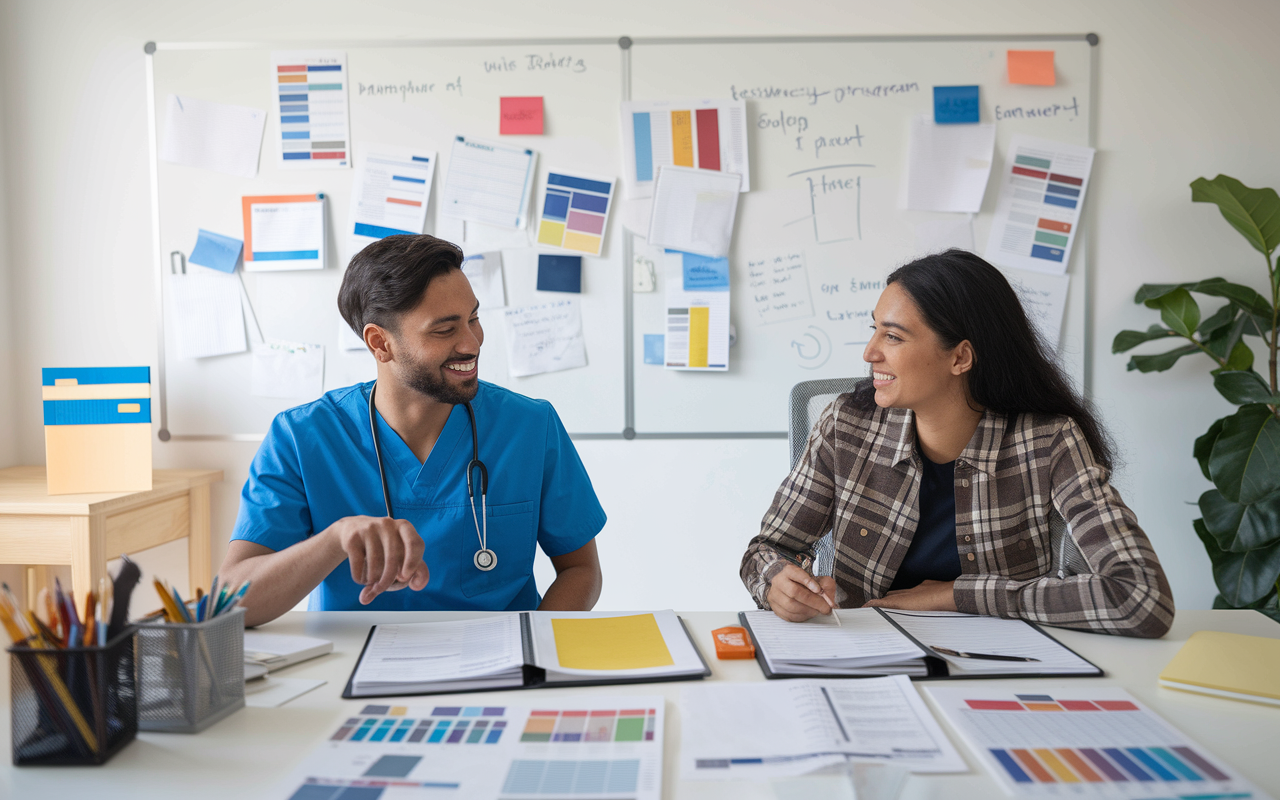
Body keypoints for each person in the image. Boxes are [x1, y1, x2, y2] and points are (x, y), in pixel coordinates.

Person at [740, 249, 1174, 638]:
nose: (870, 351)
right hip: (866, 659)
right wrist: (778, 582)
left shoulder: (1048, 441)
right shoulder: (845, 425)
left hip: (1002, 666)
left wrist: (956, 595)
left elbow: (1142, 597)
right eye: (874, 331)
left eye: (893, 336)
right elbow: (766, 551)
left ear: (960, 357)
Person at [219, 235, 606, 626]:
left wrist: (532, 647)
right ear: (380, 343)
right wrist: (335, 540)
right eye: (444, 330)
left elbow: (581, 570)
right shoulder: (302, 438)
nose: (471, 343)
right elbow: (232, 600)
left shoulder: (529, 427)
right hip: (352, 669)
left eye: (473, 318)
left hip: (499, 667)